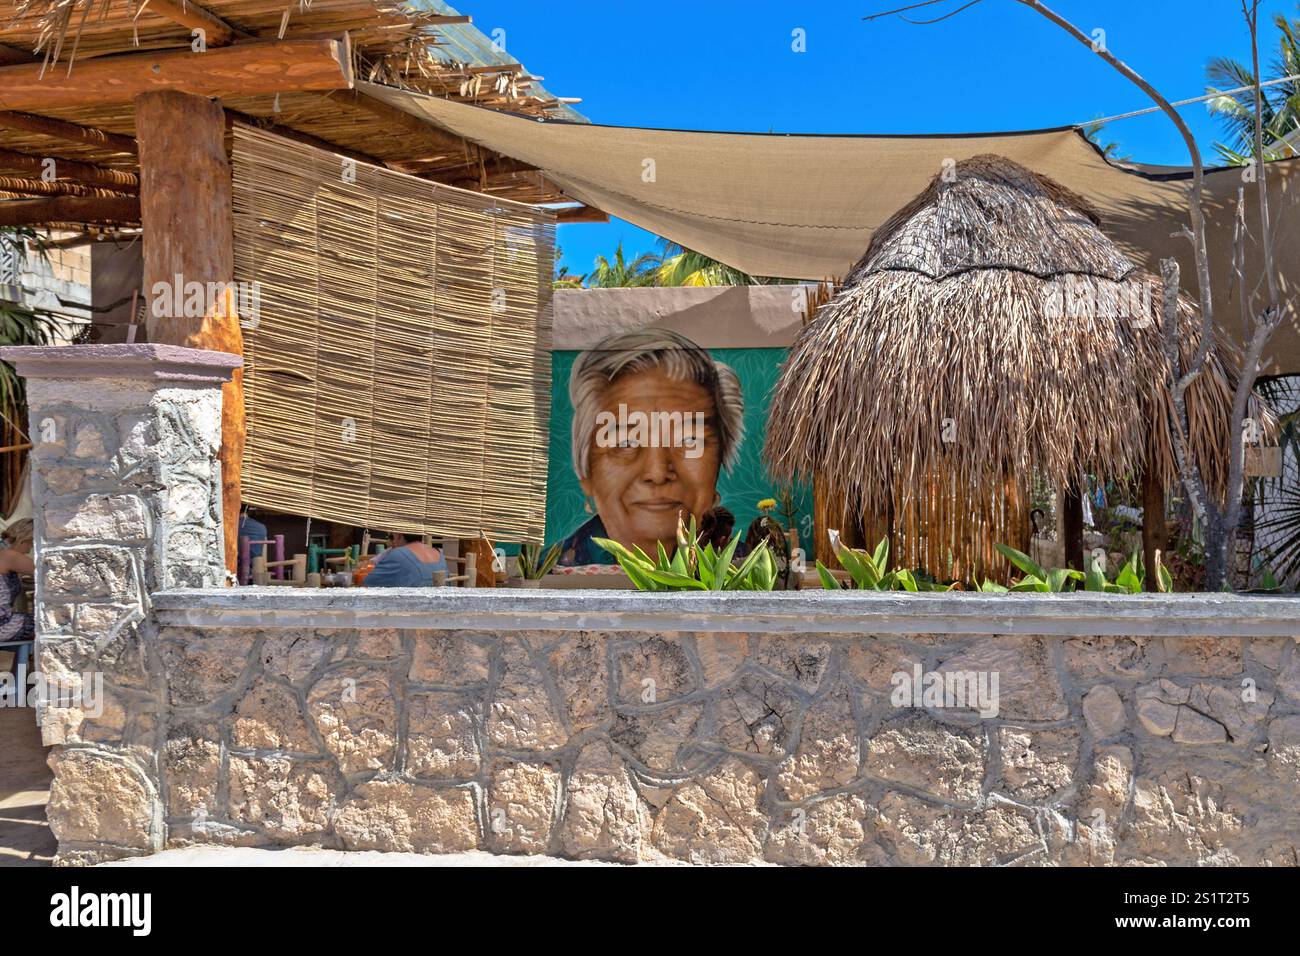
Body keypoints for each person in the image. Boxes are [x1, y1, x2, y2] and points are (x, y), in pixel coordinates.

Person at [558, 328, 745, 565]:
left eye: (688, 440)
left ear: (719, 459)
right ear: (586, 472)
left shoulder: (745, 567)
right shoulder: (555, 568)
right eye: (625, 443)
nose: (657, 474)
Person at [362, 531, 448, 587]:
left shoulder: (398, 555)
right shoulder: (439, 554)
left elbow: (366, 583)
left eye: (392, 537)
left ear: (399, 535)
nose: (392, 542)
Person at [0, 519, 34, 647]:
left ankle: (20, 666)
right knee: (50, 623)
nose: (29, 550)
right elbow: (47, 574)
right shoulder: (10, 555)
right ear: (24, 538)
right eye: (30, 544)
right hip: (3, 626)